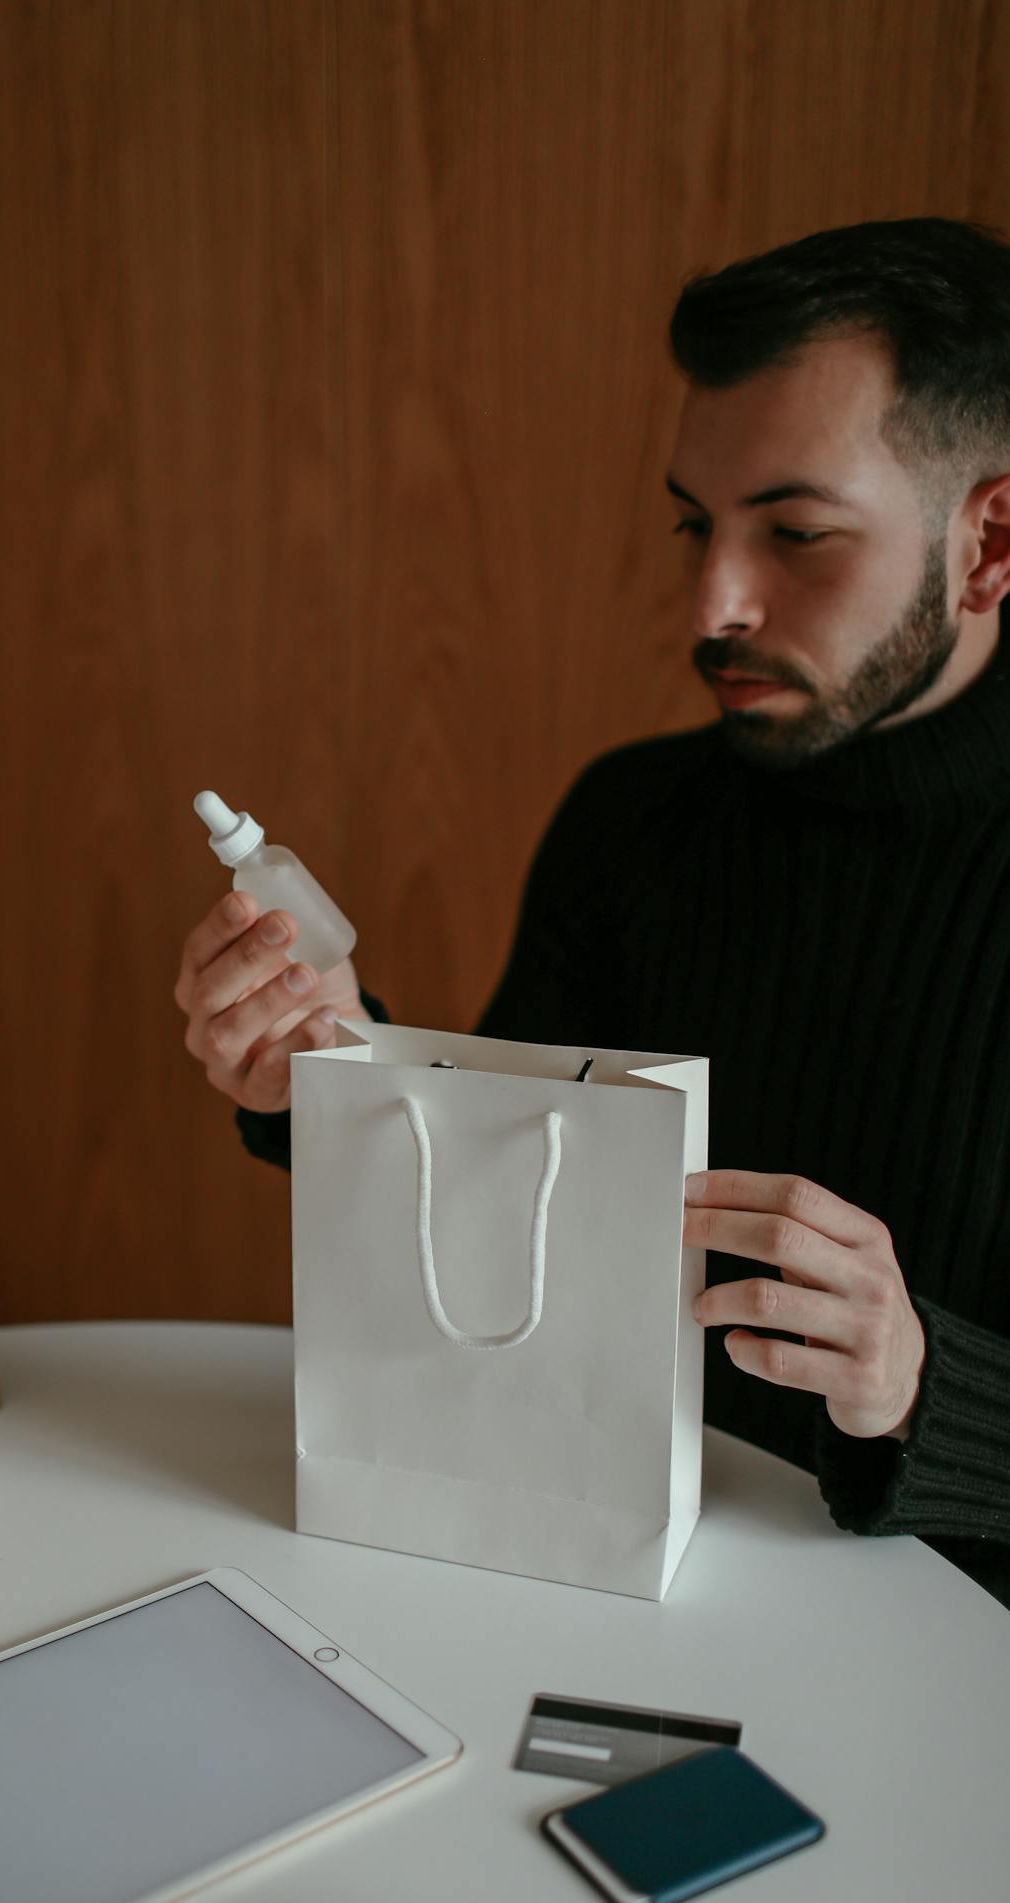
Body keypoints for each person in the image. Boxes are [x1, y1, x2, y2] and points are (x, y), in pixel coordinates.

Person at [173, 217, 1010, 1607]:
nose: (713, 602)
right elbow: (505, 1202)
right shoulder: (633, 824)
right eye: (694, 523)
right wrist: (329, 1064)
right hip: (588, 1574)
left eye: (796, 534)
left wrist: (928, 1384)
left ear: (989, 546)